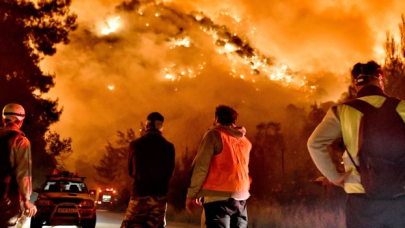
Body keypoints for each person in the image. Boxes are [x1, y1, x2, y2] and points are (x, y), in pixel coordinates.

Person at [307, 60, 405, 228]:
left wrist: (335, 177)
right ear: (379, 79)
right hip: (400, 199)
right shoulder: (402, 107)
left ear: (356, 84)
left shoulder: (342, 111)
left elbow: (314, 144)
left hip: (362, 201)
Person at [186, 105, 252, 228]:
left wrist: (192, 194)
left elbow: (201, 167)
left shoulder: (214, 135)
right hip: (241, 197)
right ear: (234, 121)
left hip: (218, 199)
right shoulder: (245, 141)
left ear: (216, 118)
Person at [121, 112, 175, 228]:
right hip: (159, 197)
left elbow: (131, 171)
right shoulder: (169, 147)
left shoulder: (135, 145)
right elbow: (170, 173)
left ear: (147, 125)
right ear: (160, 127)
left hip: (139, 194)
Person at [0, 103, 37, 227]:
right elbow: (23, 173)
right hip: (7, 195)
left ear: (3, 119)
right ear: (20, 121)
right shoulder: (20, 141)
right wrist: (27, 200)